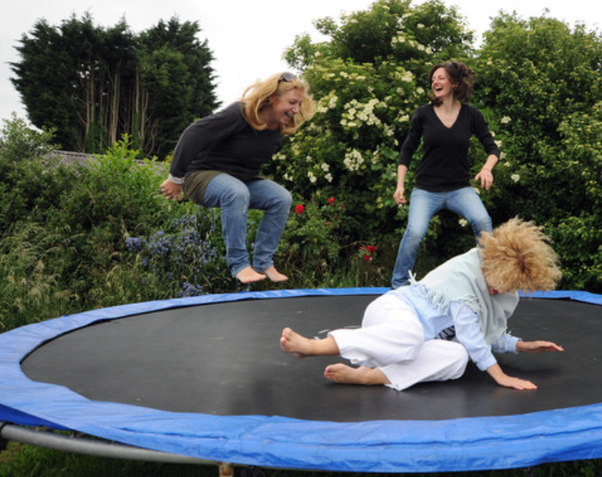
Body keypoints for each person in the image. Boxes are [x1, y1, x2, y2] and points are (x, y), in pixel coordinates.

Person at [280, 217, 564, 392]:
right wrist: (501, 376)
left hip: (407, 350)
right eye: (497, 281)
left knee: (457, 358)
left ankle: (369, 377)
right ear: (490, 263)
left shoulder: (506, 293)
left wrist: (520, 345)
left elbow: (485, 335)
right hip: (395, 313)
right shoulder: (465, 271)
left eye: (508, 286)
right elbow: (468, 330)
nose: (498, 290)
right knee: (411, 335)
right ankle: (315, 346)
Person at [160, 72, 315, 284]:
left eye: (299, 103)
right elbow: (194, 133)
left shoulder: (280, 127)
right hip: (201, 176)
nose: (296, 109)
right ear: (271, 97)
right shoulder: (242, 113)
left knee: (281, 198)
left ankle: (263, 262)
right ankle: (239, 264)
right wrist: (175, 178)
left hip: (242, 179)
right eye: (291, 102)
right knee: (236, 191)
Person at [391, 61, 501, 289]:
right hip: (426, 190)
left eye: (440, 78)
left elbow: (492, 148)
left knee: (482, 220)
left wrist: (487, 168)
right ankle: (398, 286)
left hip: (459, 189)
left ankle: (490, 279)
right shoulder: (423, 114)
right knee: (415, 232)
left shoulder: (472, 115)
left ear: (454, 83)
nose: (435, 82)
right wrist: (400, 184)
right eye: (433, 79)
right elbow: (407, 149)